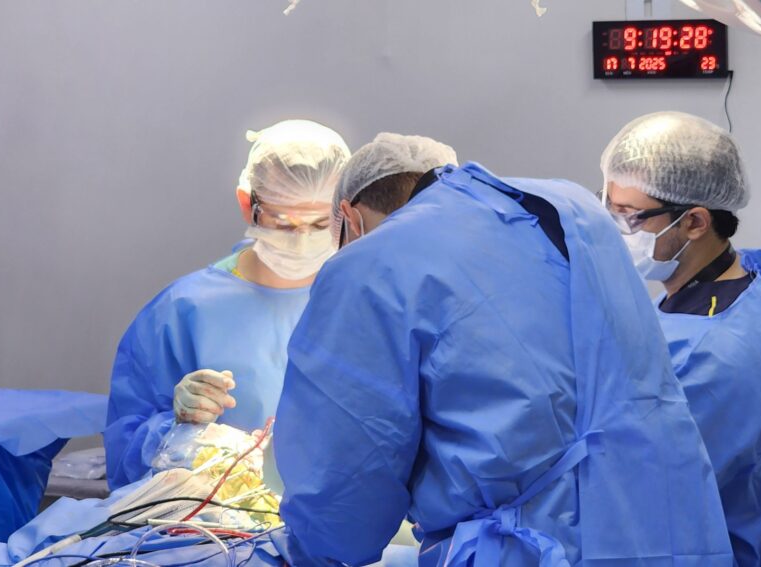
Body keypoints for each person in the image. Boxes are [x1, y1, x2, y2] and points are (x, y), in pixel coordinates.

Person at [271, 158, 733, 566]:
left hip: (530, 549)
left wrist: (305, 547)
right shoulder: (568, 205)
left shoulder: (370, 266)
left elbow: (343, 504)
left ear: (350, 220)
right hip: (666, 523)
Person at [599, 111, 761, 567]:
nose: (616, 231)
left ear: (695, 222)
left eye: (630, 217)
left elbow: (645, 496)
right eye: (610, 209)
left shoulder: (712, 356)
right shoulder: (746, 292)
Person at [104, 120, 350, 489]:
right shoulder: (183, 311)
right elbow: (124, 455)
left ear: (346, 212)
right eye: (283, 223)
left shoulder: (363, 305)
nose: (302, 241)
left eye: (319, 225)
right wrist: (177, 429)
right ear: (247, 205)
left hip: (341, 513)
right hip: (220, 514)